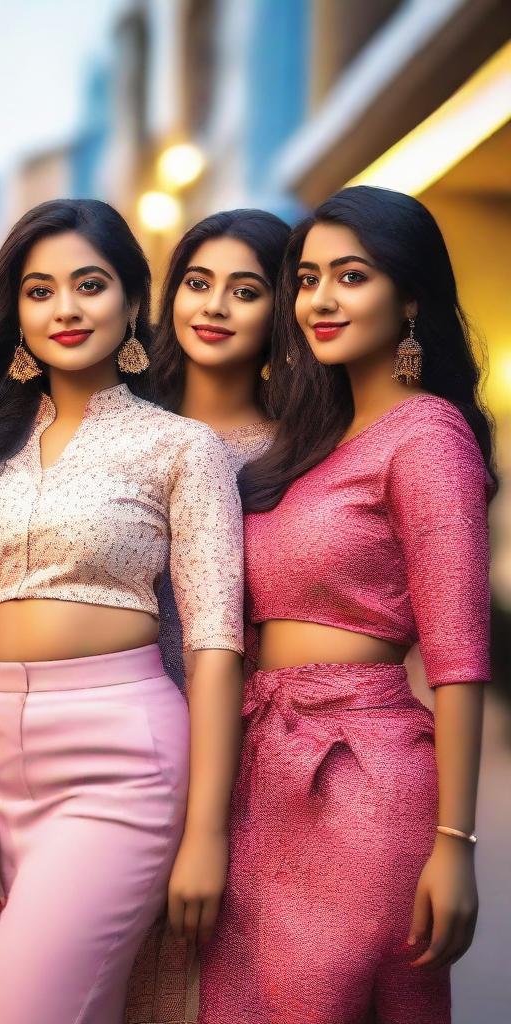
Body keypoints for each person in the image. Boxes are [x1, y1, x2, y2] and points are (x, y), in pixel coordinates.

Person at [0, 199, 245, 1023]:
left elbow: (216, 643)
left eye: (89, 286)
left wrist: (207, 833)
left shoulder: (181, 447)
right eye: (40, 290)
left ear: (131, 303)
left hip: (118, 764)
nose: (65, 309)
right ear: (16, 312)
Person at [200, 185, 495, 1023]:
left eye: (352, 277)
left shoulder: (427, 434)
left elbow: (461, 660)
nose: (321, 300)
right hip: (264, 774)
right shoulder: (310, 443)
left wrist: (454, 844)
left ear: (408, 298)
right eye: (308, 278)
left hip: (365, 779)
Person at [128, 208, 289, 1024]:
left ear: (281, 310)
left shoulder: (303, 454)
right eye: (197, 283)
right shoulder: (119, 425)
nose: (215, 306)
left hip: (256, 758)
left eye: (245, 289)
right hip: (118, 744)